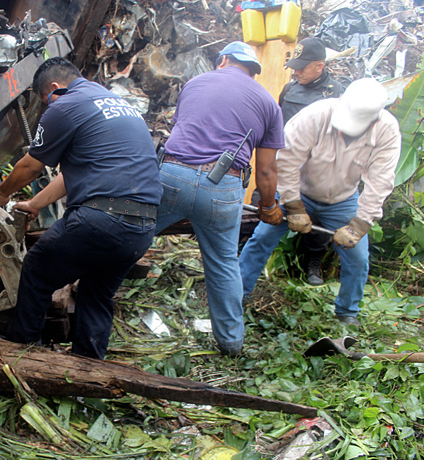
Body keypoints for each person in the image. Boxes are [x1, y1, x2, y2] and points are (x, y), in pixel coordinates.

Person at [0, 57, 162, 359]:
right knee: (96, 295)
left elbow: (30, 165)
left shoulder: (65, 105)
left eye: (45, 101)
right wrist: (34, 203)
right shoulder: (117, 103)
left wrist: (0, 194)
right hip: (143, 226)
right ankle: (87, 373)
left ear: (54, 88)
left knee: (37, 271)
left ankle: (23, 354)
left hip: (99, 220)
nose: (47, 107)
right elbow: (75, 173)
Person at [154, 41, 285, 356]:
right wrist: (269, 207)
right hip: (223, 188)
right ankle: (231, 345)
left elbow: (184, 130)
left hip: (171, 176)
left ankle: (94, 299)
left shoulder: (195, 83)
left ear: (223, 60)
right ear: (253, 71)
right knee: (224, 263)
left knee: (128, 235)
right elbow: (266, 171)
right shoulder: (269, 104)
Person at [239, 78, 401, 328]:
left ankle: (347, 311)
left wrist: (360, 224)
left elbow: (380, 181)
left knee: (357, 258)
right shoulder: (315, 116)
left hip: (343, 200)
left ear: (374, 119)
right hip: (299, 191)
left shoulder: (387, 131)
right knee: (262, 238)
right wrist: (293, 206)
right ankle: (237, 295)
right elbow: (287, 161)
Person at [279, 36, 344, 286]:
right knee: (265, 208)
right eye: (294, 66)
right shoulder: (289, 88)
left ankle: (312, 262)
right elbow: (278, 122)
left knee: (316, 217)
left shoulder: (337, 93)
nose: (295, 72)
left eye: (302, 67)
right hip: (285, 162)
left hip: (316, 167)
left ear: (320, 66)